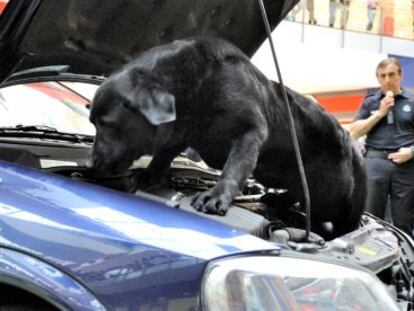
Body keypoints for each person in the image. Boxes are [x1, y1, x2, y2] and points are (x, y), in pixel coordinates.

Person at [349, 58, 414, 235]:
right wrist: (379, 113)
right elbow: (353, 132)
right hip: (374, 163)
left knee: (404, 219)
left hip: (406, 166)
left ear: (400, 76)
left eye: (391, 75)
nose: (387, 80)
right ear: (378, 79)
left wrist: (412, 152)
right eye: (382, 76)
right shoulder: (370, 102)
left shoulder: (412, 101)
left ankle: (406, 260)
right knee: (370, 218)